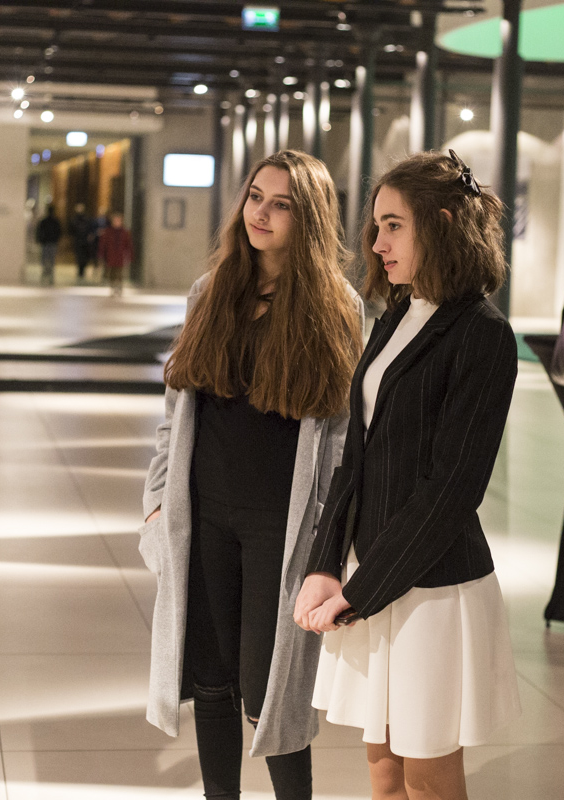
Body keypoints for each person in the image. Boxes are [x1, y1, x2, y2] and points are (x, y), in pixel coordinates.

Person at [294, 150, 521, 800]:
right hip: (372, 573)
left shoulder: (483, 334)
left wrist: (361, 592)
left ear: (442, 223)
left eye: (393, 225)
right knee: (384, 769)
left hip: (431, 590)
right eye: (377, 225)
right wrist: (325, 564)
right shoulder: (396, 314)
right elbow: (356, 456)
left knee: (428, 777)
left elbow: (452, 489)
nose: (376, 242)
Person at [139, 150, 364, 800]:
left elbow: (343, 437)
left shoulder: (335, 307)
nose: (260, 213)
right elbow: (176, 414)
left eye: (280, 204)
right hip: (204, 511)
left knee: (272, 693)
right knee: (211, 679)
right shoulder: (211, 293)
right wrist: (155, 502)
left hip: (280, 525)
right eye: (255, 197)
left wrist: (329, 539)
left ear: (309, 217)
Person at [98, 212, 134, 296]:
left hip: (120, 256)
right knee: (112, 273)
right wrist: (101, 254)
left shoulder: (124, 232)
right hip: (110, 256)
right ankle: (113, 287)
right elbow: (103, 244)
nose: (117, 222)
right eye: (115, 220)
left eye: (118, 220)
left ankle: (119, 288)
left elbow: (128, 245)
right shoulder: (108, 231)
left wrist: (130, 255)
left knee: (119, 273)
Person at [35, 204, 62, 285]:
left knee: (47, 259)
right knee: (48, 259)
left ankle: (47, 272)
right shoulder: (51, 221)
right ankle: (47, 272)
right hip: (49, 242)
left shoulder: (48, 221)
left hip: (48, 242)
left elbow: (59, 232)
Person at [69, 203, 97, 281]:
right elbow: (71, 230)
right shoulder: (74, 219)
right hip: (78, 241)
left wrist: (90, 235)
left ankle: (83, 270)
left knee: (85, 257)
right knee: (79, 257)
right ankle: (80, 270)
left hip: (85, 241)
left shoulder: (87, 219)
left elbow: (90, 228)